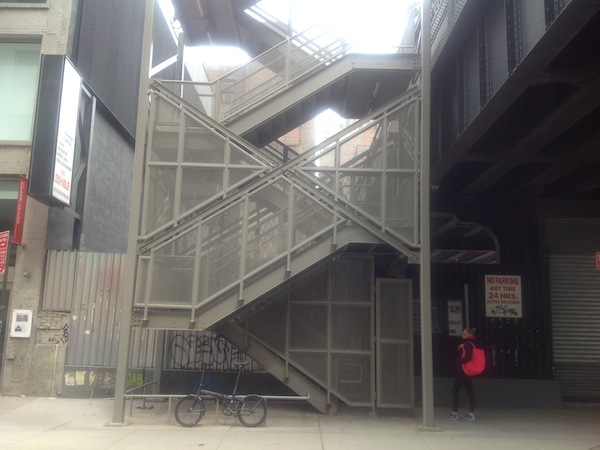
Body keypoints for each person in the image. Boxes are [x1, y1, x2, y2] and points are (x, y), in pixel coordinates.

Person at [445, 328, 478, 421]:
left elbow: (468, 356)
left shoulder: (467, 344)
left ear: (469, 335)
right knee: (470, 392)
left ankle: (454, 413)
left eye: (464, 334)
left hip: (463, 371)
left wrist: (460, 361)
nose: (462, 335)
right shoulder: (474, 343)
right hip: (470, 371)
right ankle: (471, 414)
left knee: (455, 390)